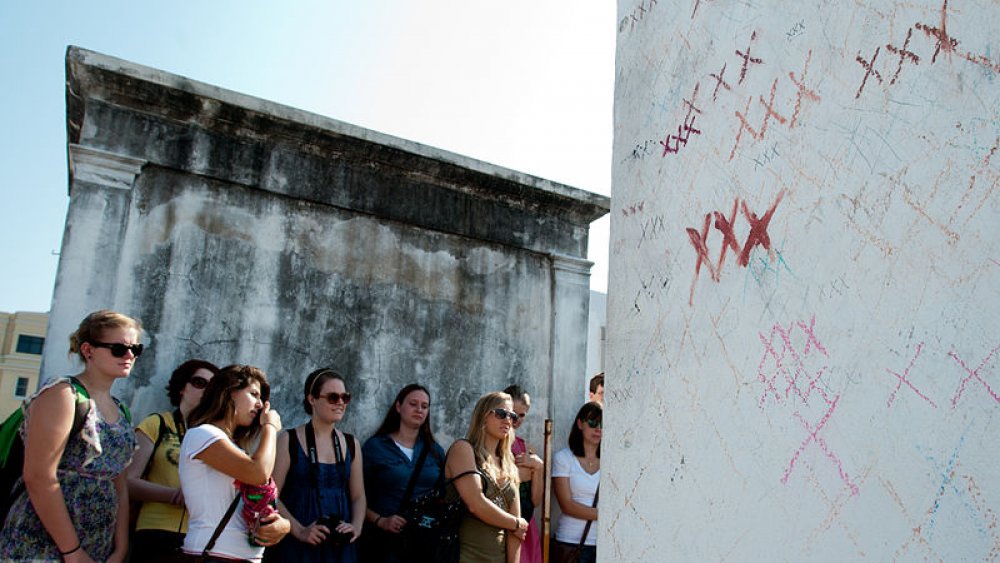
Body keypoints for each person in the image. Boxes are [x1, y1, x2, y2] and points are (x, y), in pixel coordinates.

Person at [0, 310, 141, 562]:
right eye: (119, 348)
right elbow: (39, 476)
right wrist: (72, 550)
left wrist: (120, 548)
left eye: (135, 348)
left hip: (97, 547)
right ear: (88, 350)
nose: (130, 355)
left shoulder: (122, 411)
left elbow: (119, 485)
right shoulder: (63, 394)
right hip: (42, 543)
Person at [178, 364, 290, 561]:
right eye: (254, 394)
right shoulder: (202, 434)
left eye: (261, 398)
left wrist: (282, 526)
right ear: (229, 392)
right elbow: (259, 473)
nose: (259, 404)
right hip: (214, 554)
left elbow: (255, 504)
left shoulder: (237, 449)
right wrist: (270, 427)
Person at [268, 368, 365, 563]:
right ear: (312, 399)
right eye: (332, 397)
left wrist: (355, 526)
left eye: (345, 397)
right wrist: (300, 531)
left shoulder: (351, 443)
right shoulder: (289, 439)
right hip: (297, 545)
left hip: (339, 546)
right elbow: (271, 495)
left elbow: (358, 496)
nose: (340, 403)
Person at [128, 359, 220, 562]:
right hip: (154, 533)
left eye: (212, 387)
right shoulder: (156, 424)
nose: (206, 390)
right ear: (182, 388)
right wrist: (174, 496)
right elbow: (128, 482)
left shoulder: (219, 437)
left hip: (201, 538)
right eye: (199, 383)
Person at [361, 384, 446, 563]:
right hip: (386, 543)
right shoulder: (375, 447)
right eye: (413, 404)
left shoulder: (435, 451)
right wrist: (380, 521)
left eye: (424, 406)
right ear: (399, 407)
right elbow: (356, 495)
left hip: (425, 542)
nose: (419, 410)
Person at [445, 391, 528, 563]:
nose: (507, 420)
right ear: (483, 416)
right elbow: (476, 503)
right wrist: (516, 523)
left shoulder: (509, 465)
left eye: (512, 416)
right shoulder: (463, 450)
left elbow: (516, 535)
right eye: (500, 413)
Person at [552, 402, 602, 563]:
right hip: (570, 542)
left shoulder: (613, 462)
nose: (598, 429)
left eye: (603, 424)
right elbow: (567, 505)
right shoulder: (564, 458)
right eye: (593, 422)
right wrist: (606, 515)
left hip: (605, 543)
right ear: (580, 424)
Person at [502, 385, 543, 563]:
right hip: (503, 522)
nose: (517, 419)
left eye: (523, 414)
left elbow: (535, 501)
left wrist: (539, 467)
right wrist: (521, 474)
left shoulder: (525, 447)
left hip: (526, 524)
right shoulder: (491, 443)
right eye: (513, 413)